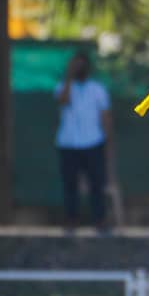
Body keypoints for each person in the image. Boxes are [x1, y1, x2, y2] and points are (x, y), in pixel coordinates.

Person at [54, 52, 112, 234]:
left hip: (93, 142)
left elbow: (105, 117)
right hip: (68, 143)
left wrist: (108, 141)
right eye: (75, 65)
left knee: (96, 184)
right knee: (70, 184)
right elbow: (62, 101)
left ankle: (99, 220)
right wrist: (69, 78)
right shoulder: (63, 87)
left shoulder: (98, 89)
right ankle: (71, 219)